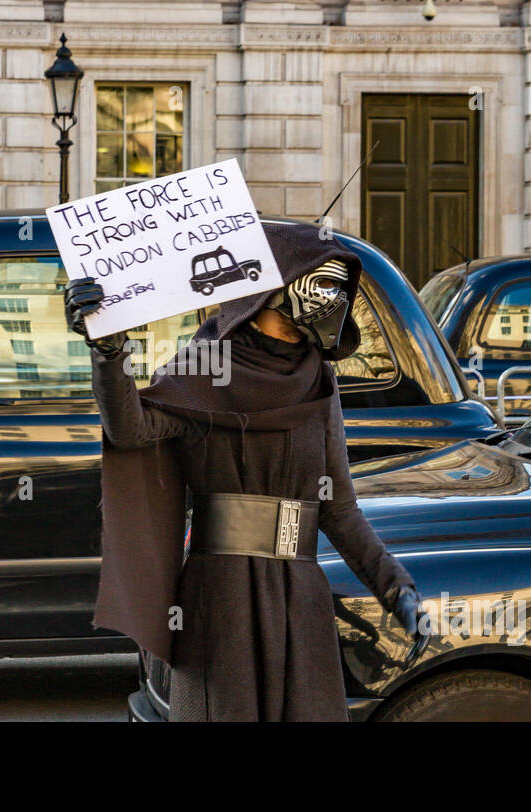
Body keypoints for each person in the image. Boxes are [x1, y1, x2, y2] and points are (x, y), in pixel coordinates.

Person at [64, 221, 423, 721]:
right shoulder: (203, 369)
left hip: (299, 600)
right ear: (267, 295)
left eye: (342, 291)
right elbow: (131, 430)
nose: (333, 303)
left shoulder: (319, 382)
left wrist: (394, 586)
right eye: (322, 287)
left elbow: (338, 509)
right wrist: (108, 352)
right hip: (221, 601)